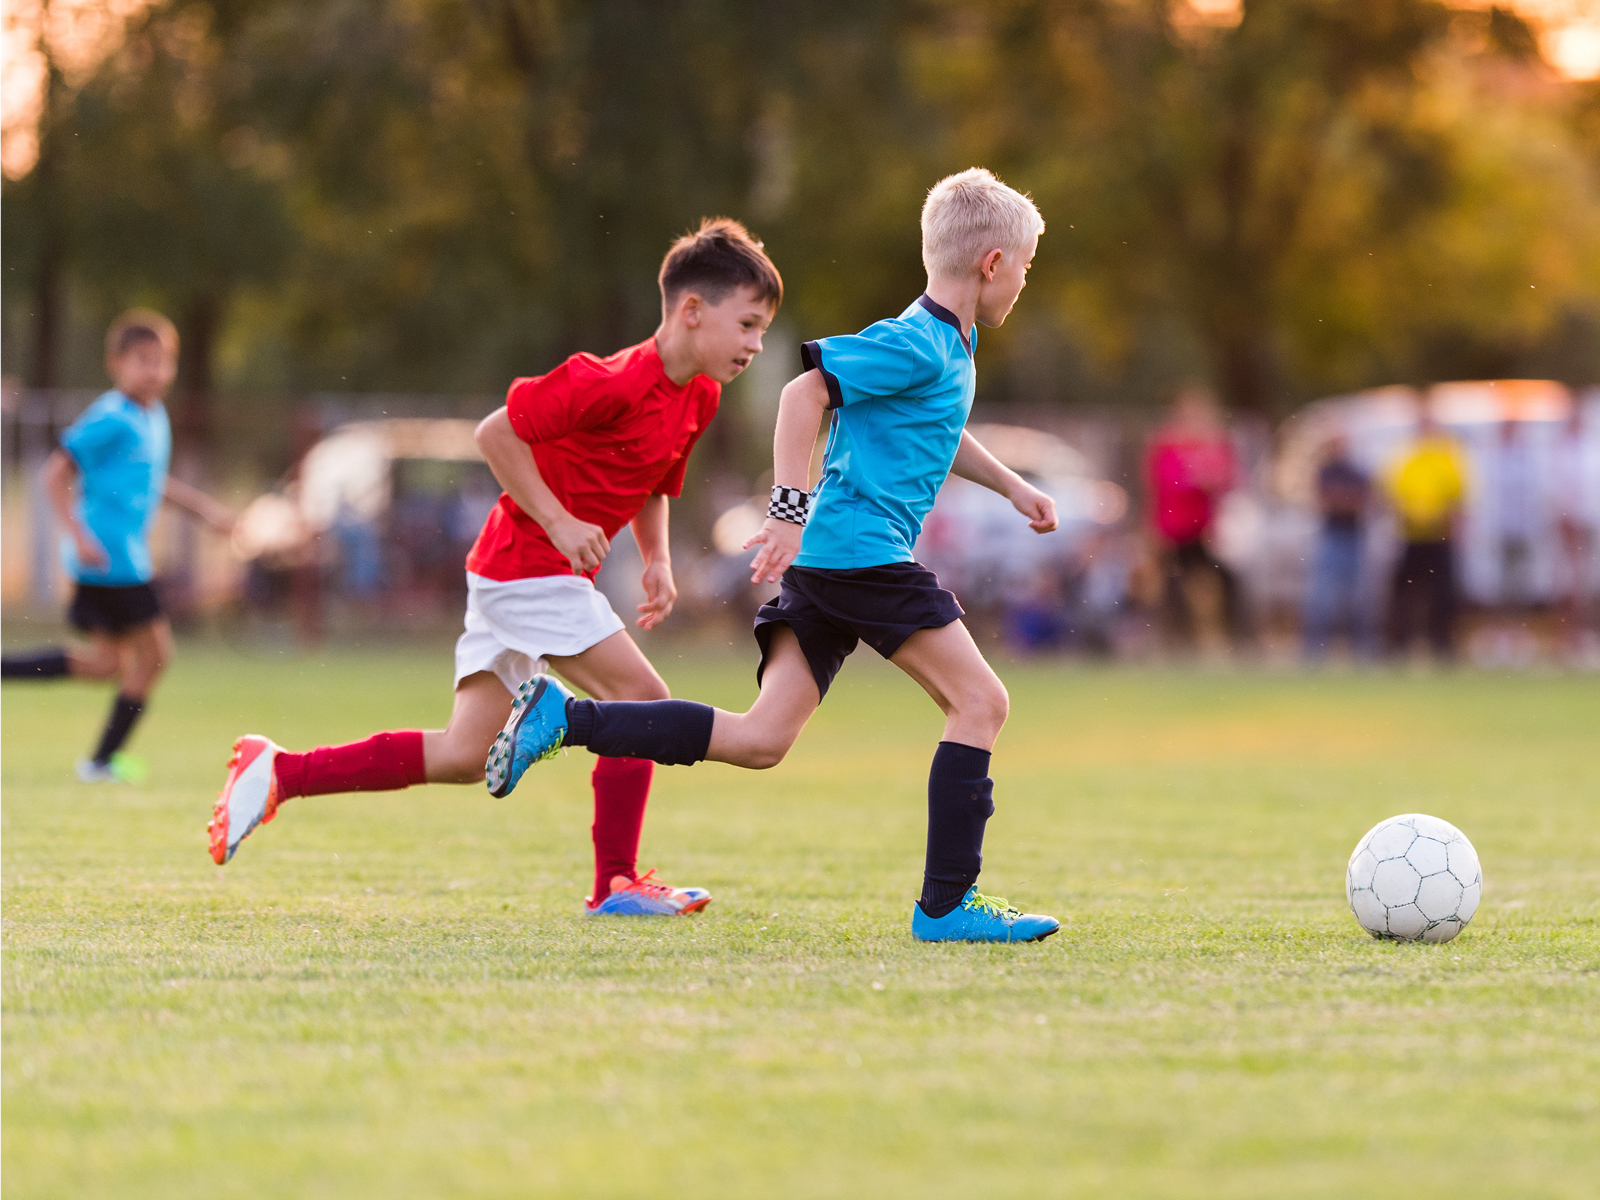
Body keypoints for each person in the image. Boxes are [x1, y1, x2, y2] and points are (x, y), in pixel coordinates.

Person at [487, 168, 1062, 944]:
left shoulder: (946, 348)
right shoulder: (917, 338)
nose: (1024, 281)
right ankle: (947, 906)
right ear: (992, 263)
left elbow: (937, 428)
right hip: (860, 555)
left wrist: (1013, 487)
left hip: (835, 562)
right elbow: (803, 396)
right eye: (1024, 265)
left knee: (761, 740)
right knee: (981, 702)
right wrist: (786, 510)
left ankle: (567, 717)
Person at [209, 218, 784, 919]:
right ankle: (616, 883)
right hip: (526, 567)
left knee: (460, 753)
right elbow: (496, 433)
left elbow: (656, 478)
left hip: (519, 575)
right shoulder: (607, 380)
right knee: (641, 700)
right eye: (748, 324)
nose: (756, 344)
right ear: (691, 311)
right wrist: (560, 521)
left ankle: (279, 774)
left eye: (762, 330)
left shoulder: (699, 395)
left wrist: (658, 559)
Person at [2, 310, 234, 781]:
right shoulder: (111, 416)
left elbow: (152, 480)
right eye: (143, 360)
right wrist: (77, 535)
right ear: (116, 363)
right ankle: (100, 763)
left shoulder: (153, 416)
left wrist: (206, 511)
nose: (155, 371)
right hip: (112, 560)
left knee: (107, 664)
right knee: (156, 657)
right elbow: (53, 473)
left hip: (119, 559)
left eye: (163, 361)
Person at [1143, 386, 1240, 656]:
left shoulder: (1214, 443)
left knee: (1209, 587)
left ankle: (1210, 642)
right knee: (1168, 590)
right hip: (1172, 528)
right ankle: (1166, 644)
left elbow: (1227, 478)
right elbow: (1164, 483)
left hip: (1203, 529)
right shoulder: (1166, 443)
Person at [1384, 405, 1468, 661]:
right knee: (1405, 592)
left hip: (1440, 534)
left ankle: (1442, 642)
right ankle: (1401, 643)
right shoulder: (1407, 454)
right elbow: (1393, 490)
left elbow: (1459, 493)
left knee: (1442, 593)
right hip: (1411, 534)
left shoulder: (1447, 454)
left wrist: (1453, 524)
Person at [1301, 434, 1374, 660]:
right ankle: (1315, 652)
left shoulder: (1356, 473)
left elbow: (1362, 504)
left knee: (1357, 598)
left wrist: (1340, 501)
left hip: (1352, 538)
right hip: (1332, 537)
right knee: (1322, 598)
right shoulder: (1326, 472)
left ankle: (1361, 652)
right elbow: (1324, 503)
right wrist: (1345, 501)